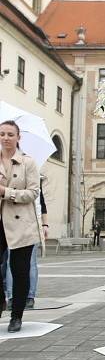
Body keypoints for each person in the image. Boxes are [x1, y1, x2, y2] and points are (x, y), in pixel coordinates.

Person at [0, 120, 41, 332]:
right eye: (2, 134)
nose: (6, 138)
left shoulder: (28, 162)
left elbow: (34, 193)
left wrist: (6, 193)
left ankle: (16, 316)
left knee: (20, 271)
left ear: (18, 138)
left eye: (10, 134)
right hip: (0, 223)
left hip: (20, 224)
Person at [2, 180, 48, 309]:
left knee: (27, 262)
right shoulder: (29, 176)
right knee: (16, 262)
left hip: (28, 224)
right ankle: (18, 297)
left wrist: (44, 224)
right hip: (19, 223)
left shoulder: (29, 177)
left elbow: (41, 203)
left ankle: (24, 296)